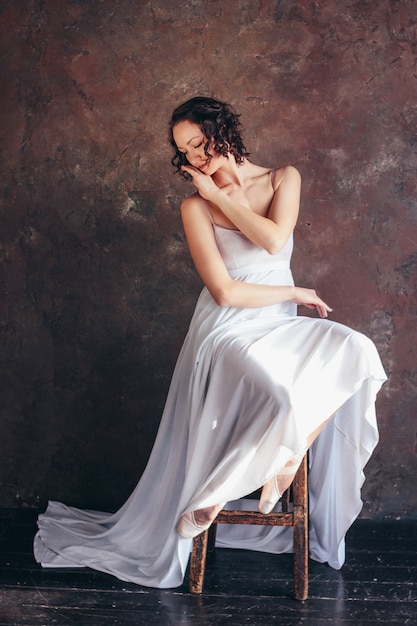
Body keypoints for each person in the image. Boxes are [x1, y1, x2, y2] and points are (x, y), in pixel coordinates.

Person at [34, 96, 387, 587]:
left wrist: (224, 195)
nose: (196, 157)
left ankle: (286, 456)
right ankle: (236, 479)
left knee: (358, 350)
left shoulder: (284, 178)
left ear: (222, 130)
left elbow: (271, 238)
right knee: (282, 392)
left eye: (199, 143)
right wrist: (293, 288)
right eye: (185, 152)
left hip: (281, 326)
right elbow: (224, 291)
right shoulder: (194, 206)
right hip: (228, 329)